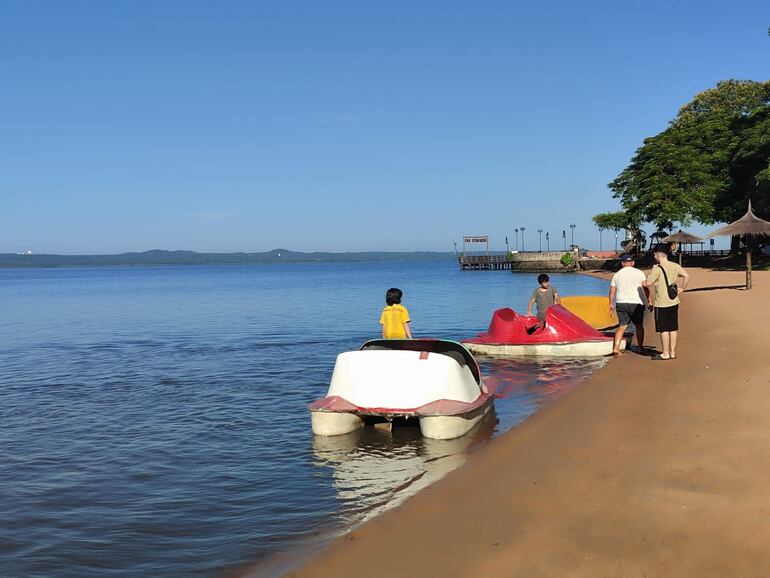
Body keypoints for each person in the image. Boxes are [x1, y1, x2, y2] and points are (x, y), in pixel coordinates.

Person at [644, 246, 690, 360]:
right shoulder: (675, 266)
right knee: (673, 328)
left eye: (655, 255)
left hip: (661, 303)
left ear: (659, 255)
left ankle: (665, 353)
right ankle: (672, 352)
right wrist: (682, 288)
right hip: (674, 301)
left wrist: (652, 270)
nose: (654, 256)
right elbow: (686, 276)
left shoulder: (658, 268)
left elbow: (647, 283)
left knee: (664, 329)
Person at [609, 255, 651, 356]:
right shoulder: (639, 273)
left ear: (622, 263)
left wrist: (610, 303)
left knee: (622, 326)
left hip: (621, 303)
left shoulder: (617, 274)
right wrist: (649, 300)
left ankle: (616, 348)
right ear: (633, 263)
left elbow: (612, 290)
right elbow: (645, 287)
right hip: (636, 303)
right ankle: (640, 348)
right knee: (639, 326)